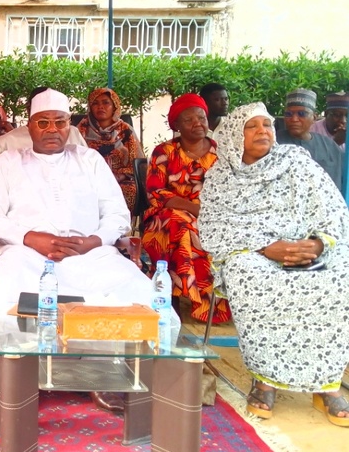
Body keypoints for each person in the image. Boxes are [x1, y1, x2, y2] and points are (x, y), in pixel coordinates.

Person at [0, 89, 153, 413]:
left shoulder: (90, 160)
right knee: (6, 290)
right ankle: (23, 375)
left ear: (70, 126)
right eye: (43, 123)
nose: (52, 129)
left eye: (60, 122)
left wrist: (94, 240)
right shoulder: (8, 162)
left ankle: (103, 373)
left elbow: (117, 214)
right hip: (26, 254)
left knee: (136, 288)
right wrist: (30, 237)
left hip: (88, 254)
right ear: (29, 127)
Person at [199, 102, 349, 426]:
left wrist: (318, 243)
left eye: (266, 125)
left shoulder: (296, 162)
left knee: (342, 276)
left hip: (308, 249)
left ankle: (327, 383)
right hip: (253, 254)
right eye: (252, 126)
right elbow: (213, 226)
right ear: (235, 136)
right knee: (247, 275)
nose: (263, 131)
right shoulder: (221, 176)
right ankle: (264, 379)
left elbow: (334, 211)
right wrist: (267, 248)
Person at [141, 93, 225, 324]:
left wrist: (207, 212)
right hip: (164, 217)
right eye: (189, 120)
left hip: (214, 215)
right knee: (181, 224)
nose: (197, 123)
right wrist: (192, 209)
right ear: (176, 125)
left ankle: (201, 300)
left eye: (201, 117)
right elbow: (156, 192)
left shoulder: (222, 153)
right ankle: (185, 298)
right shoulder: (164, 151)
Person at [76, 88, 144, 213]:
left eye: (105, 102)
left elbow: (135, 161)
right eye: (95, 103)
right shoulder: (81, 129)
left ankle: (119, 227)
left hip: (120, 178)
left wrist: (118, 177)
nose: (100, 107)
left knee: (129, 191)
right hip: (89, 178)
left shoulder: (125, 130)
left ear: (114, 106)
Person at [276, 88, 344, 190]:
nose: (294, 119)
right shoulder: (273, 142)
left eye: (302, 114)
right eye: (289, 114)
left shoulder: (329, 146)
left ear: (314, 118)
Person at [0, 86, 86, 158]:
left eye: (58, 120)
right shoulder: (6, 142)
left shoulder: (74, 133)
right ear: (29, 110)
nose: (52, 129)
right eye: (44, 120)